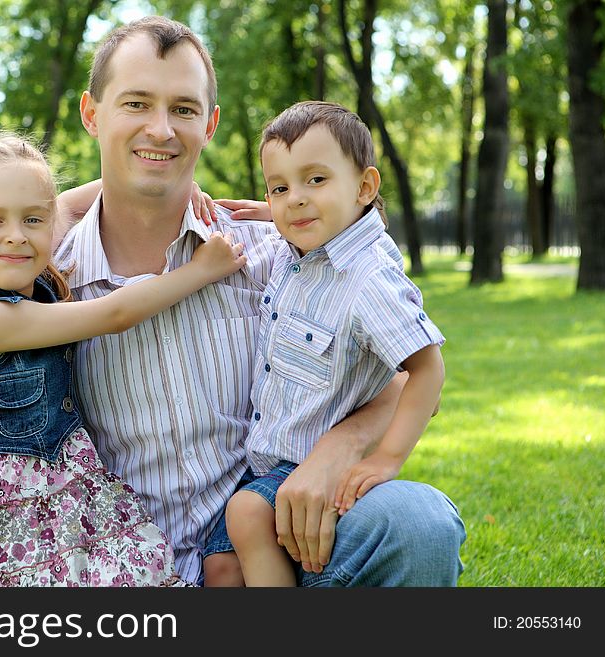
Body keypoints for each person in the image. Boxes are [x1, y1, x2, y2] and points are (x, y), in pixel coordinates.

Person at [55, 15, 465, 586]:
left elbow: (405, 376)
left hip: (272, 546)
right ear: (91, 114)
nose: (161, 129)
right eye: (136, 104)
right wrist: (62, 207)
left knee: (417, 522)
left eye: (183, 109)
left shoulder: (278, 253)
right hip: (119, 566)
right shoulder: (48, 272)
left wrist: (337, 449)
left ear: (211, 124)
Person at [0, 132, 247, 587]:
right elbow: (115, 313)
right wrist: (200, 270)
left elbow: (94, 191)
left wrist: (178, 187)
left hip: (64, 492)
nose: (16, 236)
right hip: (4, 516)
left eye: (33, 219)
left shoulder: (22, 254)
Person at [223, 100, 446, 586]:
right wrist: (277, 210)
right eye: (280, 187)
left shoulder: (367, 279)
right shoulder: (305, 248)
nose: (296, 199)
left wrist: (388, 457)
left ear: (365, 187)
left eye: (316, 180)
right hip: (262, 462)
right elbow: (304, 211)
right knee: (220, 566)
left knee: (245, 514)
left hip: (306, 465)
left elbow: (427, 369)